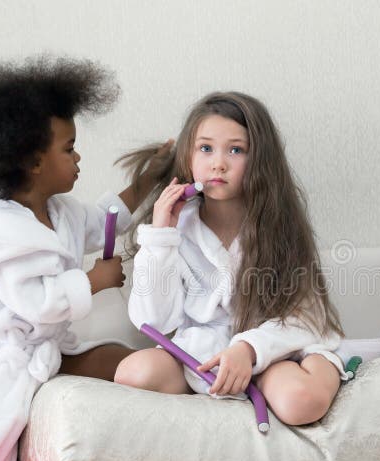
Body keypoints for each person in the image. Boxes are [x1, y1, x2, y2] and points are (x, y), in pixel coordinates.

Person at [0, 56, 168, 461]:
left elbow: (105, 220)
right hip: (11, 355)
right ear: (33, 162)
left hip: (53, 347)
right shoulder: (4, 231)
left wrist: (147, 180)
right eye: (69, 148)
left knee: (118, 357)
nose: (78, 158)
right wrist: (94, 281)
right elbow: (35, 303)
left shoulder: (61, 212)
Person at [116, 91, 348, 426]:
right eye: (206, 148)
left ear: (259, 161)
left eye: (235, 150)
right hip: (203, 355)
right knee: (134, 373)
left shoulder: (278, 226)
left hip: (268, 352)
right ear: (188, 155)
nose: (218, 163)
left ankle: (330, 369)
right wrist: (161, 237)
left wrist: (248, 350)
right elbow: (154, 323)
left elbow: (305, 316)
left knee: (302, 402)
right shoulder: (174, 230)